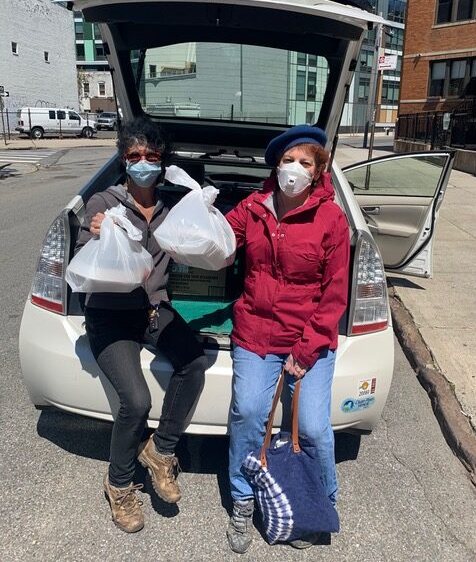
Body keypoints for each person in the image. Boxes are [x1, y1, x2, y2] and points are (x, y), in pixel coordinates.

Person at [75, 117, 208, 533]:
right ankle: (118, 484)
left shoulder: (171, 209)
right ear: (123, 160)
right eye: (135, 156)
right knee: (136, 402)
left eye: (152, 155)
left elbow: (195, 249)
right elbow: (81, 257)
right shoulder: (103, 204)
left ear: (162, 160)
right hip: (110, 314)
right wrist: (96, 233)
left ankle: (160, 450)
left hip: (151, 308)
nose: (144, 163)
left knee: (194, 361)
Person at [224, 124, 350, 553]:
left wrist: (307, 347)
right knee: (249, 412)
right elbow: (219, 239)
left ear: (318, 171)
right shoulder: (254, 207)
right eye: (287, 160)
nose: (294, 169)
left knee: (313, 426)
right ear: (275, 165)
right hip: (256, 333)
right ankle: (243, 498)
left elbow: (335, 293)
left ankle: (317, 502)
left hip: (309, 338)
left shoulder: (332, 218)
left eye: (305, 162)